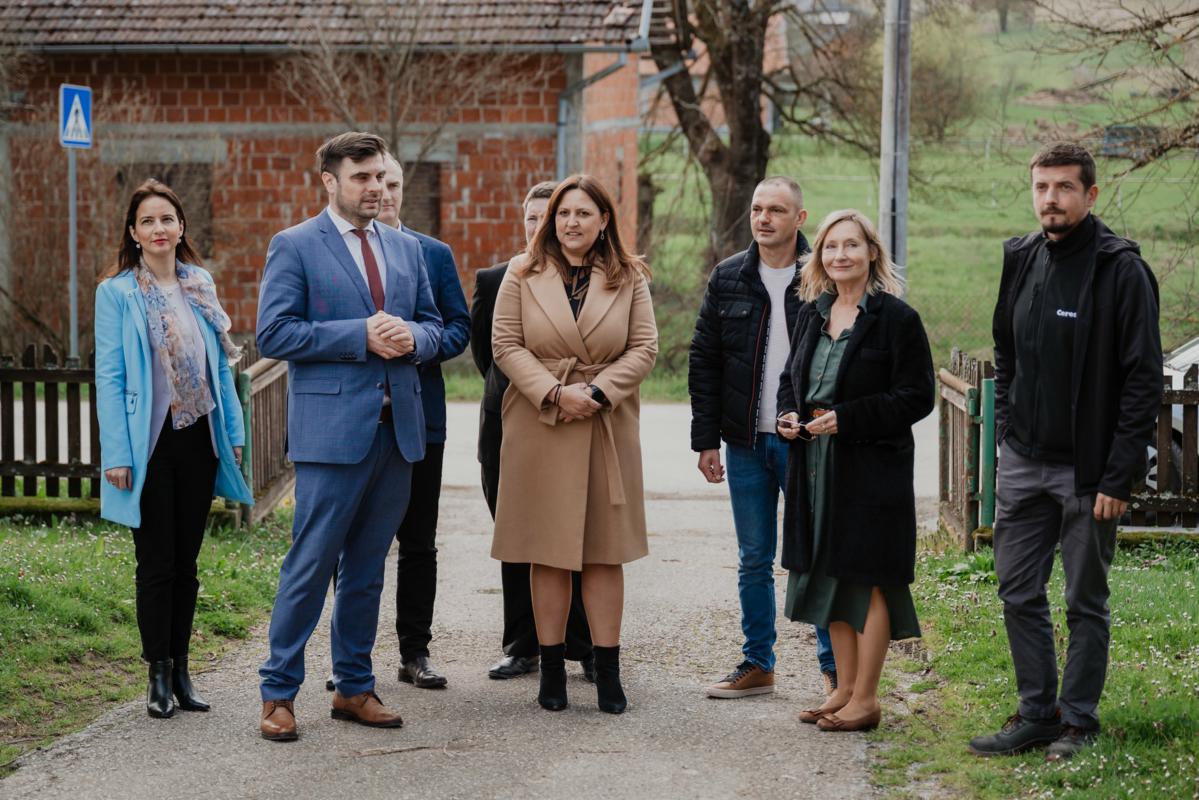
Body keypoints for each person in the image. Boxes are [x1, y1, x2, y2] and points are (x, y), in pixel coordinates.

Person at [969, 142, 1161, 761]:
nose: (1050, 199)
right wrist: (1006, 431)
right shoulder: (1022, 257)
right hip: (1024, 461)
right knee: (1017, 591)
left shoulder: (1121, 270)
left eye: (1064, 187)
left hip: (1089, 473)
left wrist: (1119, 475)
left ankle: (1078, 719)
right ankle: (1036, 714)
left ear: (1090, 194)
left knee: (1084, 601)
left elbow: (1142, 381)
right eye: (1041, 187)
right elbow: (1006, 350)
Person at [255, 132, 442, 742]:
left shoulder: (405, 247)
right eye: (362, 177)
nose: (375, 188)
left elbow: (435, 324)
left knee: (366, 571)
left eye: (381, 177)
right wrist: (357, 335)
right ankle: (278, 693)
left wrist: (415, 338)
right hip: (332, 435)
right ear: (330, 181)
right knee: (310, 566)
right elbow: (274, 333)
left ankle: (353, 687)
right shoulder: (294, 245)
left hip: (398, 432)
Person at [490, 174, 657, 714]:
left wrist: (599, 392)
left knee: (606, 553)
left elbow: (644, 347)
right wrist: (556, 393)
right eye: (562, 213)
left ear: (604, 220)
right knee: (549, 552)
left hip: (607, 420)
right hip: (542, 420)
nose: (570, 222)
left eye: (583, 213)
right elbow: (505, 344)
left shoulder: (629, 276)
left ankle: (608, 671)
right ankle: (551, 670)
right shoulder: (522, 271)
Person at [95, 179, 254, 719]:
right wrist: (117, 454)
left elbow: (220, 368)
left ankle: (183, 670)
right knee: (156, 563)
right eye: (148, 221)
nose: (159, 228)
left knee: (187, 563)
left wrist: (233, 435)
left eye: (167, 219)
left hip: (199, 438)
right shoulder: (116, 293)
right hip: (148, 444)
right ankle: (158, 674)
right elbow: (110, 376)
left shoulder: (199, 283)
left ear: (181, 227)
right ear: (134, 233)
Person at [776, 209, 934, 733]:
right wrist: (788, 415)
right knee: (831, 575)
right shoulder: (811, 313)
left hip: (870, 469)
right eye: (830, 246)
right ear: (818, 255)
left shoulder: (897, 319)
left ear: (871, 253)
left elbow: (917, 396)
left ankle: (866, 699)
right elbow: (790, 378)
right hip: (813, 465)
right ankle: (842, 689)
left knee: (867, 581)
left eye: (851, 245)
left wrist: (847, 418)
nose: (840, 255)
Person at [688, 177, 836, 699]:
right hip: (746, 442)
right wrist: (706, 440)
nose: (763, 218)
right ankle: (758, 663)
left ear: (800, 218)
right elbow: (704, 359)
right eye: (757, 209)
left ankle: (834, 668)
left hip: (808, 443)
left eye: (776, 209)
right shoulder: (729, 276)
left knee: (815, 555)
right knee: (753, 558)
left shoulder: (823, 276)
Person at [471, 181, 595, 682]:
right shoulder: (495, 279)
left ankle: (585, 646)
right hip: (507, 425)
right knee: (518, 537)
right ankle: (522, 644)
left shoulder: (590, 280)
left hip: (575, 419)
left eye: (552, 215)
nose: (542, 226)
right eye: (533, 217)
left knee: (579, 537)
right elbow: (487, 355)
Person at [377, 155, 470, 689]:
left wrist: (416, 342)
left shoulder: (432, 253)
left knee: (418, 543)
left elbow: (458, 328)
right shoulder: (339, 254)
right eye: (375, 182)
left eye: (392, 183)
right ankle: (350, 657)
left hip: (420, 418)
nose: (384, 193)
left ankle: (415, 652)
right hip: (360, 419)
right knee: (353, 546)